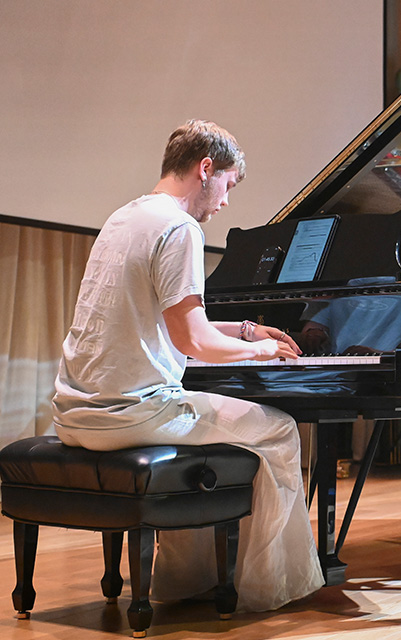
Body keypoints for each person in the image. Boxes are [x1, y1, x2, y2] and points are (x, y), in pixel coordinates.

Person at [51, 120, 325, 610]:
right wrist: (266, 351)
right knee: (281, 430)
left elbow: (169, 319)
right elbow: (194, 341)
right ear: (206, 169)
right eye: (228, 185)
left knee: (212, 430)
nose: (224, 201)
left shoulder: (125, 218)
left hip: (75, 412)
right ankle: (272, 588)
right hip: (132, 414)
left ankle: (187, 580)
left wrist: (246, 330)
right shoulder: (181, 228)